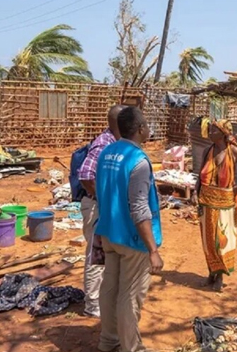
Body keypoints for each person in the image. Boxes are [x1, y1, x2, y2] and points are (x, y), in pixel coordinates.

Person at [95, 106, 163, 352]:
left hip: (108, 233)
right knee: (130, 294)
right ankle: (131, 347)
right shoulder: (138, 161)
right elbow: (140, 209)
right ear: (140, 129)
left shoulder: (107, 152)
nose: (148, 128)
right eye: (146, 124)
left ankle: (108, 340)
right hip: (132, 239)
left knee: (110, 287)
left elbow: (101, 190)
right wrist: (152, 249)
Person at [195, 120, 237, 292]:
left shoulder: (233, 151)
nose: (209, 132)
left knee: (222, 241)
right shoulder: (207, 151)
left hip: (225, 202)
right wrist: (196, 197)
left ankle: (220, 276)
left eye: (213, 130)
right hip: (206, 201)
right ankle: (211, 273)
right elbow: (199, 176)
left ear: (223, 132)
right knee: (208, 241)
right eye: (209, 129)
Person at [78, 105, 126, 318]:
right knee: (96, 256)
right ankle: (92, 305)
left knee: (105, 255)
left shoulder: (115, 142)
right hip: (97, 207)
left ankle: (101, 299)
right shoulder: (103, 144)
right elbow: (86, 175)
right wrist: (102, 197)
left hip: (105, 207)